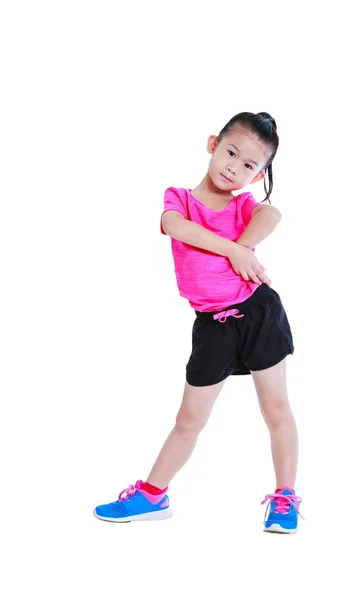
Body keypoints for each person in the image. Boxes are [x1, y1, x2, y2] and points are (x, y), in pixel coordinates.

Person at [94, 111, 303, 534]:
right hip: (212, 324)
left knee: (276, 407)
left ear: (259, 175)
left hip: (258, 313)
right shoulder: (180, 200)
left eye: (249, 165)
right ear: (213, 144)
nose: (234, 167)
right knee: (190, 418)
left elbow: (273, 215)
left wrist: (241, 249)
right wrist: (235, 251)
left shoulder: (244, 206)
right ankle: (153, 495)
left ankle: (285, 499)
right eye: (230, 153)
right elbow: (175, 227)